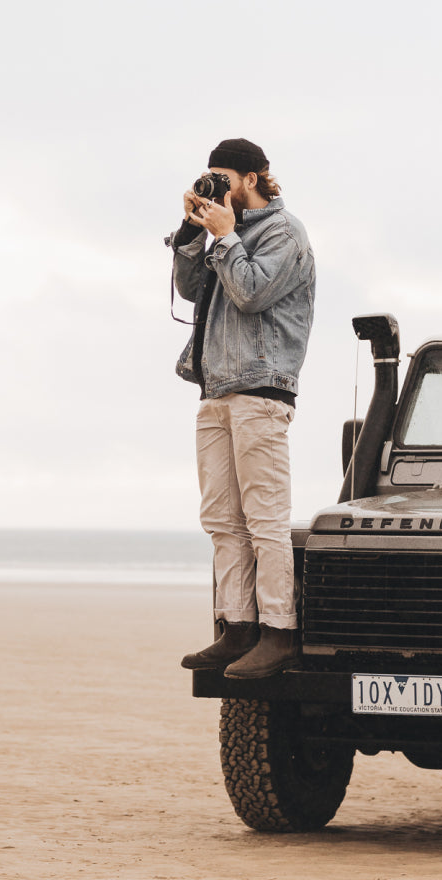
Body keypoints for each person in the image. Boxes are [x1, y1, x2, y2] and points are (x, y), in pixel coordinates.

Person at [167, 138, 315, 679]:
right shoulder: (223, 230)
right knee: (222, 520)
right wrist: (191, 231)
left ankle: (280, 632)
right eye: (208, 176)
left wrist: (225, 236)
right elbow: (189, 291)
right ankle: (238, 628)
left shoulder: (284, 232)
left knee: (265, 519)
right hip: (216, 390)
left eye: (222, 176)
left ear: (252, 177)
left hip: (260, 388)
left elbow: (251, 293)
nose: (215, 186)